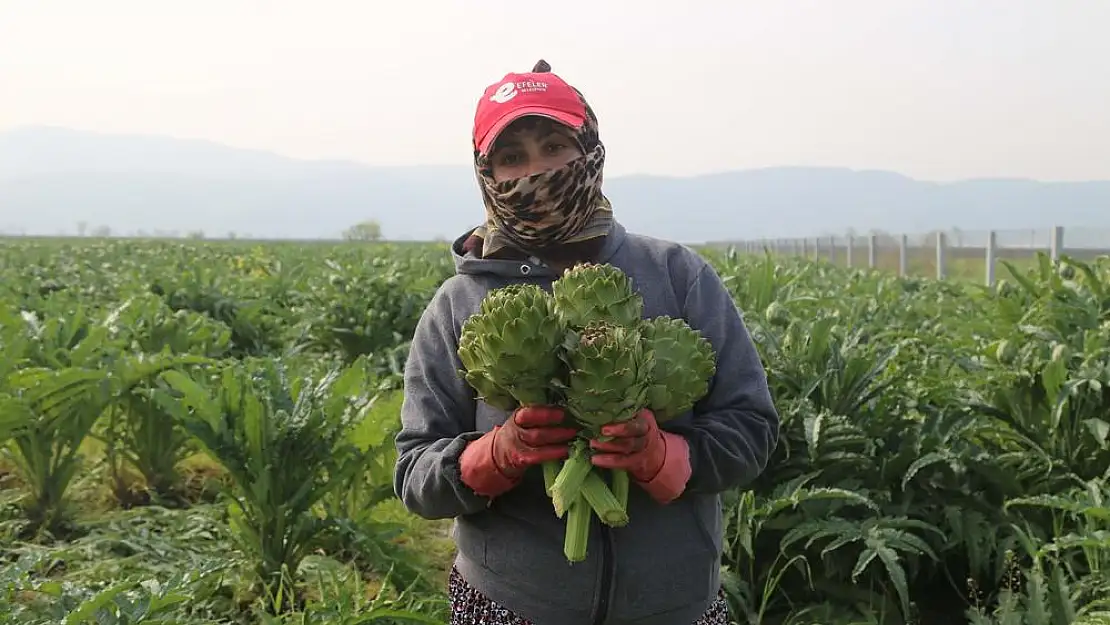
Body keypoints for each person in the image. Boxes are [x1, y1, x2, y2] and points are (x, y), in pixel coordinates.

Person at [393, 59, 780, 625]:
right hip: (510, 604)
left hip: (674, 607)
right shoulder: (458, 306)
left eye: (555, 146)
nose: (537, 172)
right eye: (511, 158)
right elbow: (414, 475)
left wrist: (666, 457)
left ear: (590, 147)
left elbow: (753, 427)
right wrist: (491, 458)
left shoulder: (678, 276)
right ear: (486, 175)